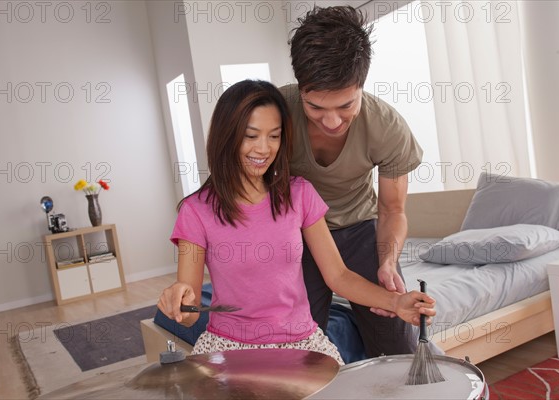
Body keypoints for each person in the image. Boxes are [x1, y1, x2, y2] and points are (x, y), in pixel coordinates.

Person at [157, 79, 435, 365]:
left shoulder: (300, 194)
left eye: (274, 136)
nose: (264, 149)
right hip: (229, 346)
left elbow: (338, 276)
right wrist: (178, 300)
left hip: (302, 342)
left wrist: (396, 302)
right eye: (251, 136)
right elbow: (189, 314)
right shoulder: (195, 211)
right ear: (226, 136)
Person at [281, 5, 424, 358]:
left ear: (361, 85)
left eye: (346, 105)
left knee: (397, 340)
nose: (331, 121)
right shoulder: (276, 114)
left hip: (361, 229)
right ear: (300, 90)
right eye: (316, 108)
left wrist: (388, 261)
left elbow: (392, 209)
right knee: (301, 344)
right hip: (298, 235)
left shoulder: (387, 127)